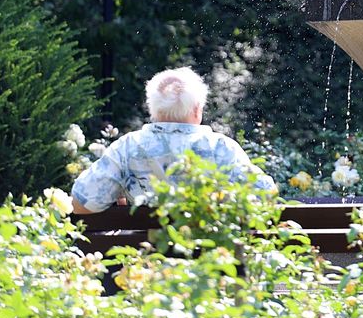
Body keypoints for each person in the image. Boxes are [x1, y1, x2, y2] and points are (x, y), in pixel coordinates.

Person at [70, 67, 275, 213]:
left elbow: (82, 203)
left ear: (153, 110)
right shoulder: (221, 148)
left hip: (144, 265)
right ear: (197, 110)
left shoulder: (128, 147)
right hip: (212, 267)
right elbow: (266, 197)